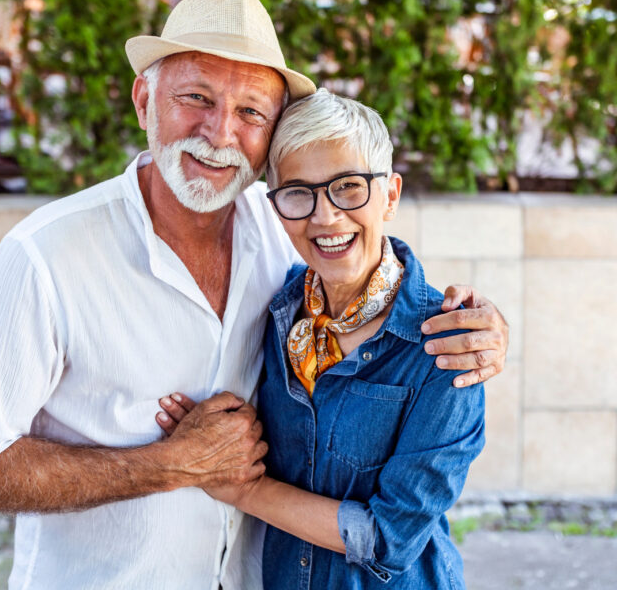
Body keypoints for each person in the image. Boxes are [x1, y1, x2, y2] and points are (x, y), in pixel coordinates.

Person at [0, 0, 509, 590]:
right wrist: (165, 465)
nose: (221, 134)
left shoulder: (282, 228)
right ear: (144, 99)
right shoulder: (44, 256)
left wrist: (482, 324)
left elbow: (365, 259)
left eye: (251, 113)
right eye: (195, 98)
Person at [156, 90, 484, 588]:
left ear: (390, 195)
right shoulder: (275, 309)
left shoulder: (446, 348)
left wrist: (241, 489)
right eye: (298, 193)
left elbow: (389, 537)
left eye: (349, 187)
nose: (325, 216)